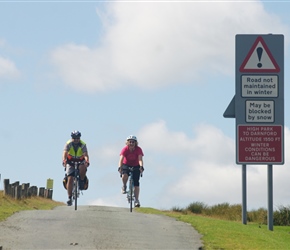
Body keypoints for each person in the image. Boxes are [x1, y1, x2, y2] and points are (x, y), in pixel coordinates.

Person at [62, 130, 90, 206]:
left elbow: (85, 154)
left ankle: (81, 181)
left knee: (83, 168)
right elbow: (65, 152)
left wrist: (87, 161)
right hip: (70, 162)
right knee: (70, 179)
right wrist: (64, 160)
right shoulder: (68, 144)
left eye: (78, 138)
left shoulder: (83, 144)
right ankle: (69, 197)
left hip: (80, 161)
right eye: (74, 138)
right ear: (72, 138)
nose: (76, 139)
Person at [118, 135, 144, 207]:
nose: (131, 143)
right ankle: (124, 185)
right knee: (125, 175)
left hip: (136, 165)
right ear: (127, 143)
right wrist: (120, 167)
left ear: (135, 143)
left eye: (133, 142)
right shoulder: (125, 149)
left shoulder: (138, 149)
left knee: (136, 183)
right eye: (130, 142)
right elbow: (121, 159)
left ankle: (136, 200)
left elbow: (140, 159)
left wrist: (141, 166)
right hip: (126, 164)